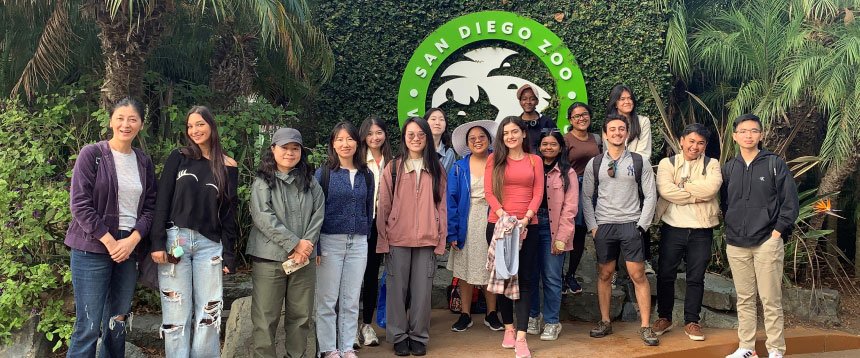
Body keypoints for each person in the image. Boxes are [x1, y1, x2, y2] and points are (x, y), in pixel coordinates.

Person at [66, 98, 156, 358]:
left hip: (128, 249)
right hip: (92, 247)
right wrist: (110, 241)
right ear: (111, 121)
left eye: (132, 119)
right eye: (120, 118)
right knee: (89, 324)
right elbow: (80, 205)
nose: (125, 124)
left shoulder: (143, 161)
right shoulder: (92, 154)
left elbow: (151, 207)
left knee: (117, 322)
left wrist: (132, 240)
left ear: (140, 124)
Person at [150, 106, 238, 357]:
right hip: (175, 241)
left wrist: (229, 254)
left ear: (211, 125)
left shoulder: (228, 166)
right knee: (176, 316)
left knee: (208, 315)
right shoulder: (179, 157)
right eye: (190, 126)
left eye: (200, 124)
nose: (195, 130)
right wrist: (156, 242)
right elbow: (163, 199)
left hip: (210, 245)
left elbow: (229, 214)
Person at [722, 114, 798, 358]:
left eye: (753, 131)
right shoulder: (729, 168)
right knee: (744, 299)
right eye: (743, 131)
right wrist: (730, 228)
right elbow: (725, 202)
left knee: (770, 300)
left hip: (767, 241)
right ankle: (747, 348)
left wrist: (777, 233)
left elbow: (790, 203)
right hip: (736, 243)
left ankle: (776, 350)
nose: (748, 135)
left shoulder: (774, 164)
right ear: (735, 136)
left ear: (761, 135)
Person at [247, 127, 325, 358]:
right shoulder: (262, 182)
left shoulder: (311, 182)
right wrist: (295, 244)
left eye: (295, 148)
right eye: (284, 148)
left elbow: (318, 213)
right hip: (269, 260)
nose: (290, 153)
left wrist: (306, 245)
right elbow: (263, 217)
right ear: (273, 150)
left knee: (301, 317)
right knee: (265, 319)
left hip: (303, 261)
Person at [582, 114, 658, 346]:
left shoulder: (639, 161)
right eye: (612, 129)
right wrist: (593, 227)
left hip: (631, 225)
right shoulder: (594, 163)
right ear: (605, 134)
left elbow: (651, 195)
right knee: (605, 274)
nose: (617, 132)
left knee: (638, 275)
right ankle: (605, 321)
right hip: (605, 225)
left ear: (627, 133)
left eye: (621, 129)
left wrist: (641, 226)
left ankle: (645, 326)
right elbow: (586, 196)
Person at [376, 117, 447, 356]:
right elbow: (383, 206)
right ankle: (398, 336)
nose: (416, 139)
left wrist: (441, 239)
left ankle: (418, 336)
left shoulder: (437, 168)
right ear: (404, 138)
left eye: (421, 134)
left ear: (427, 137)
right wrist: (383, 239)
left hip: (427, 239)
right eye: (411, 135)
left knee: (422, 293)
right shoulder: (393, 168)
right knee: (396, 291)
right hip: (398, 239)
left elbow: (442, 207)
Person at [651, 123, 722, 341]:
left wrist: (682, 186)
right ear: (682, 141)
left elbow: (711, 189)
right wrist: (696, 193)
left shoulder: (712, 164)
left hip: (701, 230)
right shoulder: (667, 163)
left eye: (700, 143)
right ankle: (664, 317)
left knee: (696, 277)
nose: (695, 146)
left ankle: (692, 321)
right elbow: (665, 190)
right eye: (691, 141)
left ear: (705, 145)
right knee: (665, 275)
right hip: (673, 227)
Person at [484, 116, 544, 358]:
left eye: (514, 131)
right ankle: (508, 328)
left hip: (528, 226)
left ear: (522, 134)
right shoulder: (494, 160)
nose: (510, 136)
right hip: (499, 226)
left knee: (527, 281)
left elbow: (538, 191)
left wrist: (526, 218)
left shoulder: (535, 160)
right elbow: (489, 192)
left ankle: (521, 336)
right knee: (504, 280)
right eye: (505, 133)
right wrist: (504, 217)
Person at [314, 122, 374, 358]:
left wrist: (365, 234)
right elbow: (315, 212)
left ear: (357, 143)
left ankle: (347, 346)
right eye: (339, 139)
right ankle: (329, 349)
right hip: (330, 241)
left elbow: (369, 210)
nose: (345, 144)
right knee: (327, 300)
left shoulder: (366, 175)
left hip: (358, 242)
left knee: (351, 299)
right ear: (333, 144)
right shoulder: (324, 173)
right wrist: (316, 245)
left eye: (349, 139)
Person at [446, 120, 504, 333]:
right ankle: (465, 314)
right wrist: (452, 231)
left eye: (482, 137)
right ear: (467, 144)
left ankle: (491, 313)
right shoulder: (459, 167)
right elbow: (451, 199)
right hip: (466, 220)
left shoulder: (498, 161)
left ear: (489, 141)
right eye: (473, 139)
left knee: (491, 268)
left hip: (492, 219)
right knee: (464, 269)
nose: (477, 141)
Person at [527, 130, 578, 341]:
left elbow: (570, 208)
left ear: (560, 147)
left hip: (553, 229)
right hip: (531, 225)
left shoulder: (568, 173)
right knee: (530, 276)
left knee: (551, 277)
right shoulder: (531, 168)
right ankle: (533, 316)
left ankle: (551, 322)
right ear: (539, 146)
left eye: (553, 144)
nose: (548, 148)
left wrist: (562, 237)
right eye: (544, 144)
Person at [606, 84, 656, 277]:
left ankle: (645, 260)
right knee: (615, 218)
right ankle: (616, 268)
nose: (627, 102)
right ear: (615, 102)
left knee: (642, 214)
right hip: (615, 178)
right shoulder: (609, 123)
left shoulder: (642, 121)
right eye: (622, 99)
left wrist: (623, 160)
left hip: (638, 173)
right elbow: (607, 153)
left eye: (629, 98)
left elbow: (644, 152)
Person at [356, 115, 393, 348]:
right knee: (352, 277)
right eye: (369, 133)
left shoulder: (393, 161)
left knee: (371, 276)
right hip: (359, 225)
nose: (374, 137)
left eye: (378, 132)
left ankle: (366, 324)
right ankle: (349, 327)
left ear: (385, 134)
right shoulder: (357, 159)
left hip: (383, 226)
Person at [562, 102, 602, 295]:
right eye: (576, 116)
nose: (581, 118)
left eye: (584, 114)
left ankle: (570, 274)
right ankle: (559, 276)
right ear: (570, 120)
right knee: (571, 231)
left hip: (594, 188)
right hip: (572, 189)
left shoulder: (597, 139)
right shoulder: (565, 139)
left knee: (581, 234)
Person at [517, 84, 557, 152]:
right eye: (524, 99)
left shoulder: (547, 122)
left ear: (537, 101)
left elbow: (558, 141)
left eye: (532, 99)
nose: (528, 102)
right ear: (520, 102)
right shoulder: (516, 123)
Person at [425, 108, 457, 172]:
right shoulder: (417, 148)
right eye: (433, 119)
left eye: (441, 119)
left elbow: (451, 179)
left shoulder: (449, 153)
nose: (437, 123)